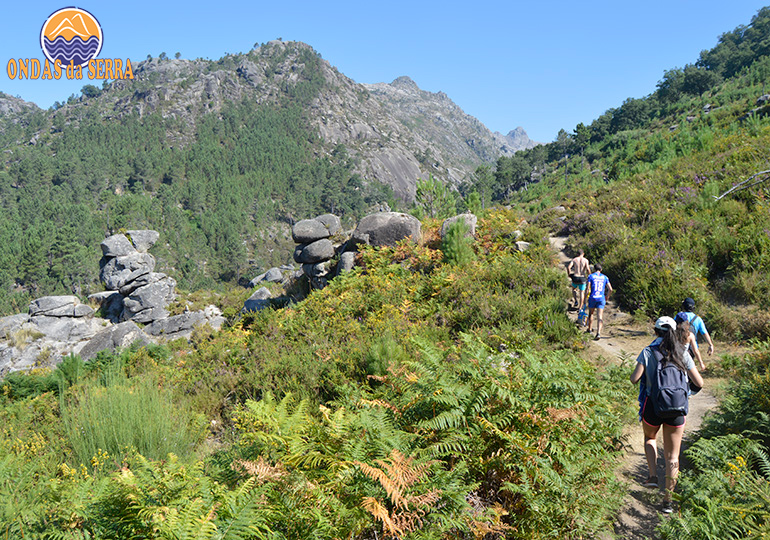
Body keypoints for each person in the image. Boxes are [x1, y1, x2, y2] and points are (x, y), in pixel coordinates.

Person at [630, 316, 704, 514]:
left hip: (653, 407)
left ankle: (653, 476)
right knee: (673, 456)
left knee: (650, 438)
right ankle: (668, 502)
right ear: (674, 331)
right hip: (676, 409)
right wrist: (684, 393)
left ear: (655, 332)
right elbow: (700, 383)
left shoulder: (647, 351)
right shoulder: (682, 352)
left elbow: (634, 379)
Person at [585, 263, 612, 341]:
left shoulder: (591, 276)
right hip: (601, 297)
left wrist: (585, 297)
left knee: (591, 313)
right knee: (600, 316)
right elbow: (610, 289)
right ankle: (598, 333)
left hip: (593, 297)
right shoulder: (605, 277)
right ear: (601, 269)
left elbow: (587, 288)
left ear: (594, 269)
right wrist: (607, 296)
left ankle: (589, 329)